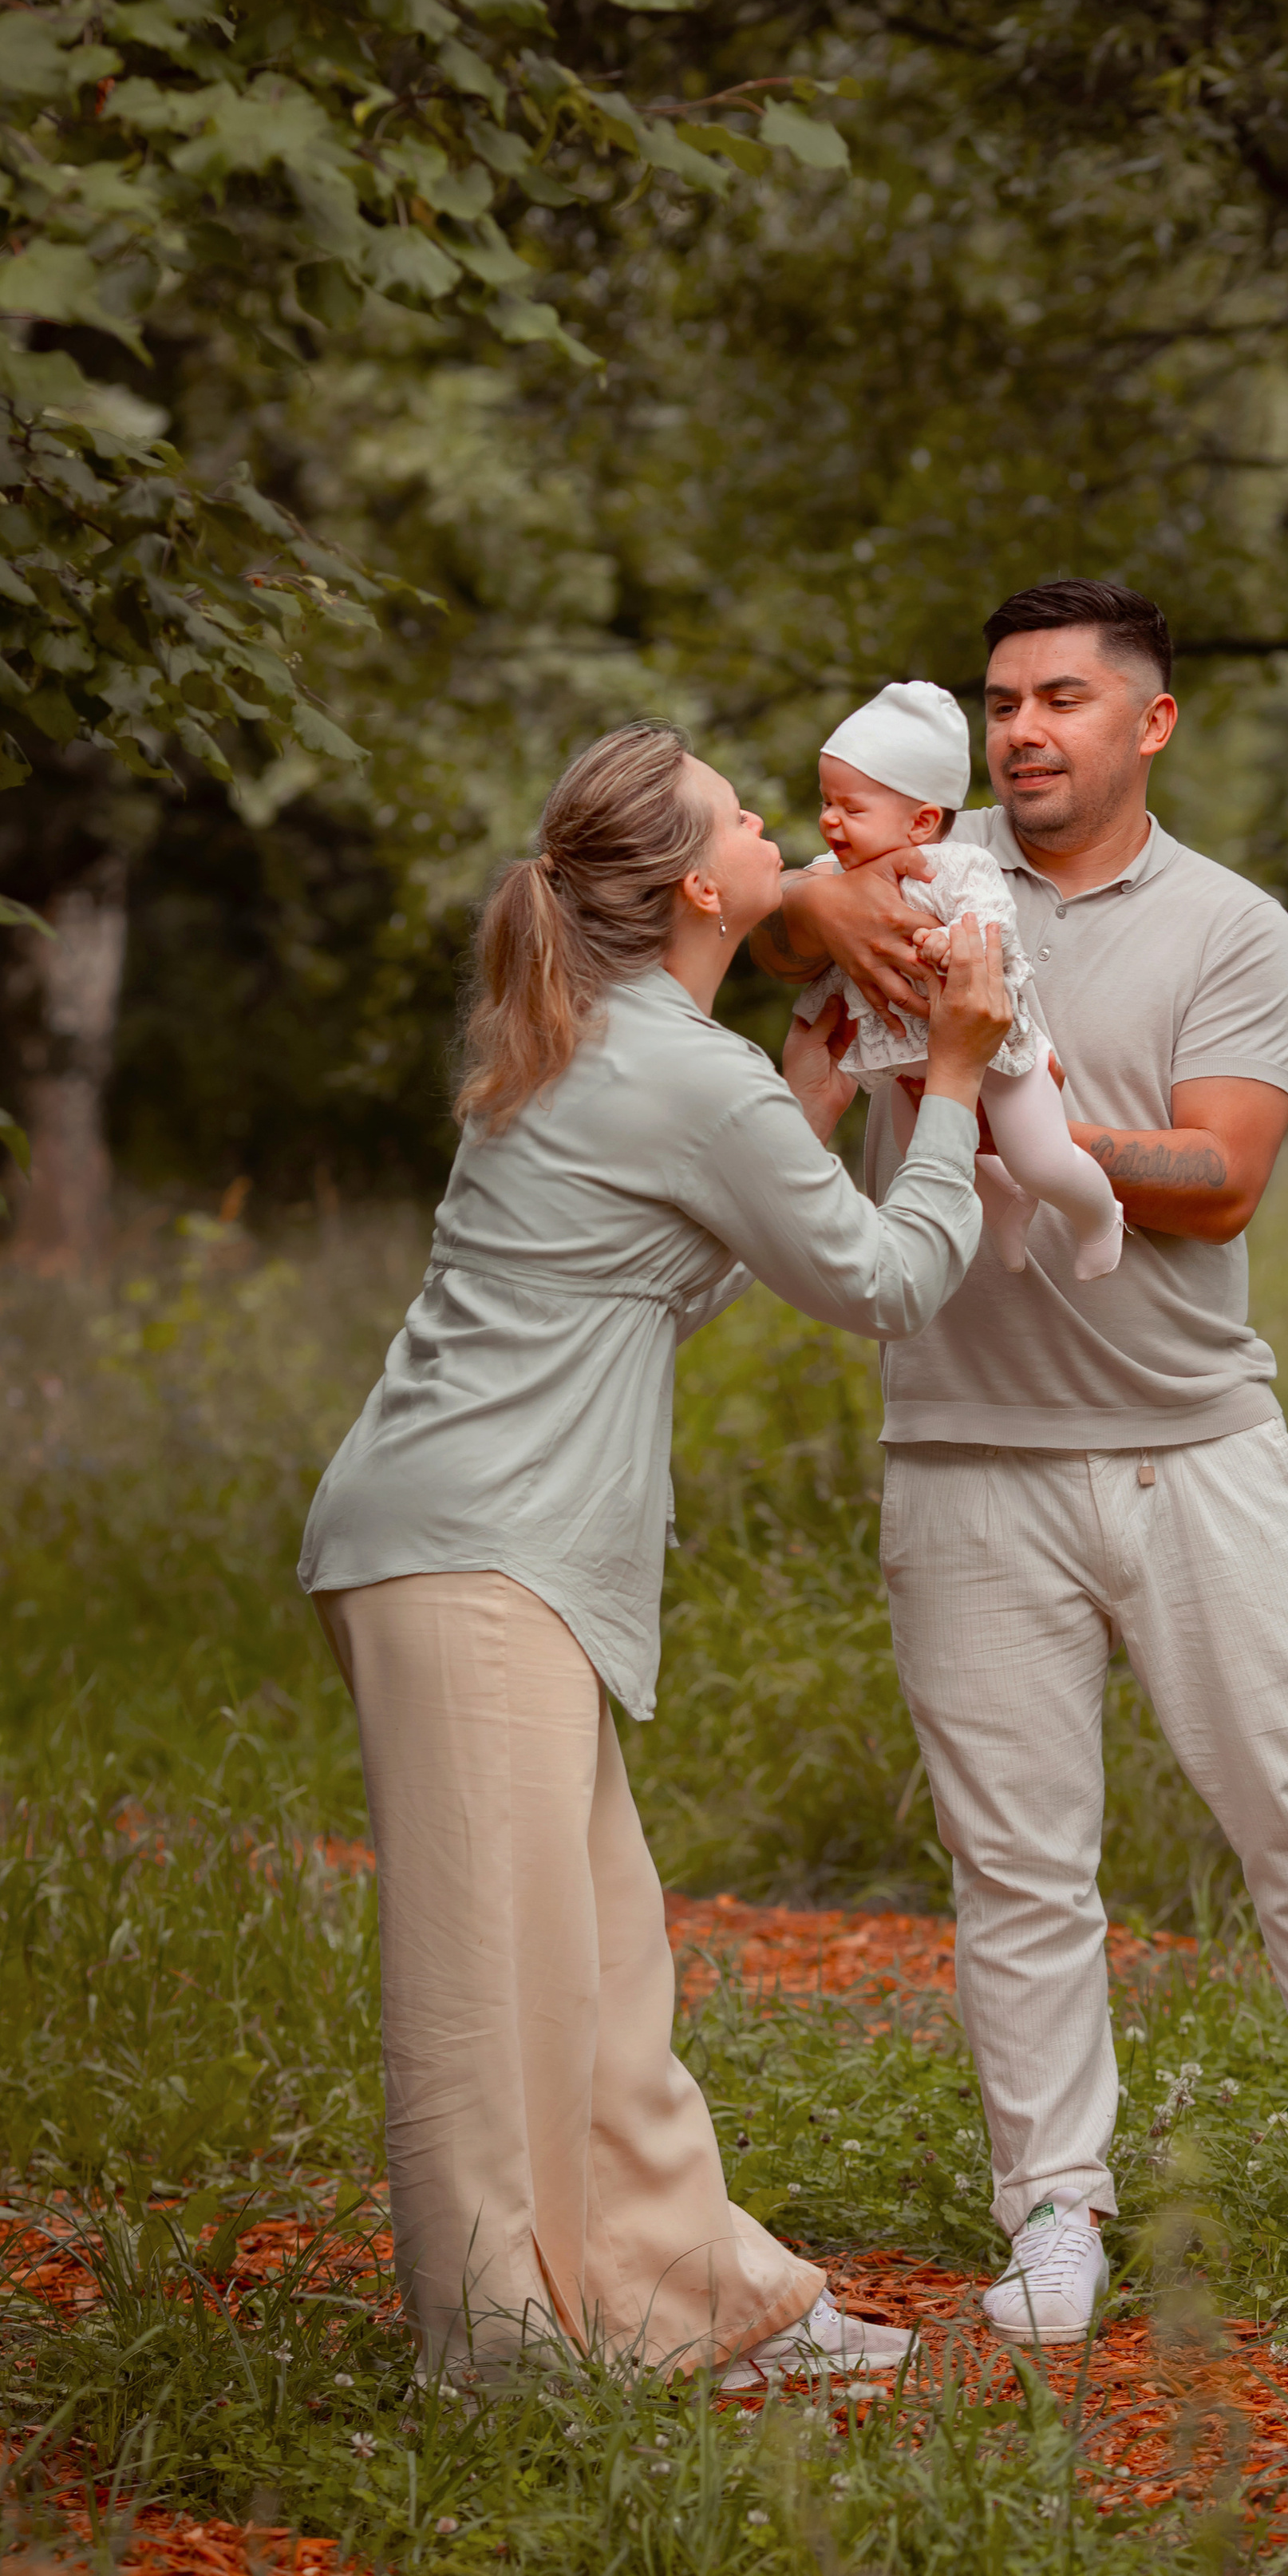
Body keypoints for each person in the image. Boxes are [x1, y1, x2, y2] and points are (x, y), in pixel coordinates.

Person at [754, 581, 1288, 2345]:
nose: (1024, 729)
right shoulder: (920, 874)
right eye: (1002, 701)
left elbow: (1222, 1180)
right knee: (1017, 1868)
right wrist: (811, 900)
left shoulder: (1231, 927)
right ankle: (1054, 2216)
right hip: (963, 1455)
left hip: (1197, 1454)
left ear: (1149, 722)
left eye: (1064, 699)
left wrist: (1005, 1125)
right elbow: (774, 916)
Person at [298, 721, 1013, 2383]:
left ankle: (700, 2311)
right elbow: (889, 1284)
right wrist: (961, 1082)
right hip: (472, 1555)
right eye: (743, 814)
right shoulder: (669, 1067)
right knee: (495, 1993)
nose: (774, 827)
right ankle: (504, 2357)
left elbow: (651, 1288)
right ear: (698, 886)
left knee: (604, 1968)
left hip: (472, 1547)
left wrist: (803, 1109)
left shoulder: (613, 1039)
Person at [788, 676, 1124, 1278]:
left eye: (851, 809)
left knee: (1039, 1159)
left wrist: (954, 940)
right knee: (928, 1157)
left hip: (992, 1050)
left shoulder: (954, 865)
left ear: (920, 822)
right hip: (915, 1065)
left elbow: (992, 921)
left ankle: (1100, 1216)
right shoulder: (834, 881)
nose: (830, 821)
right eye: (826, 803)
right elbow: (800, 916)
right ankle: (1006, 1207)